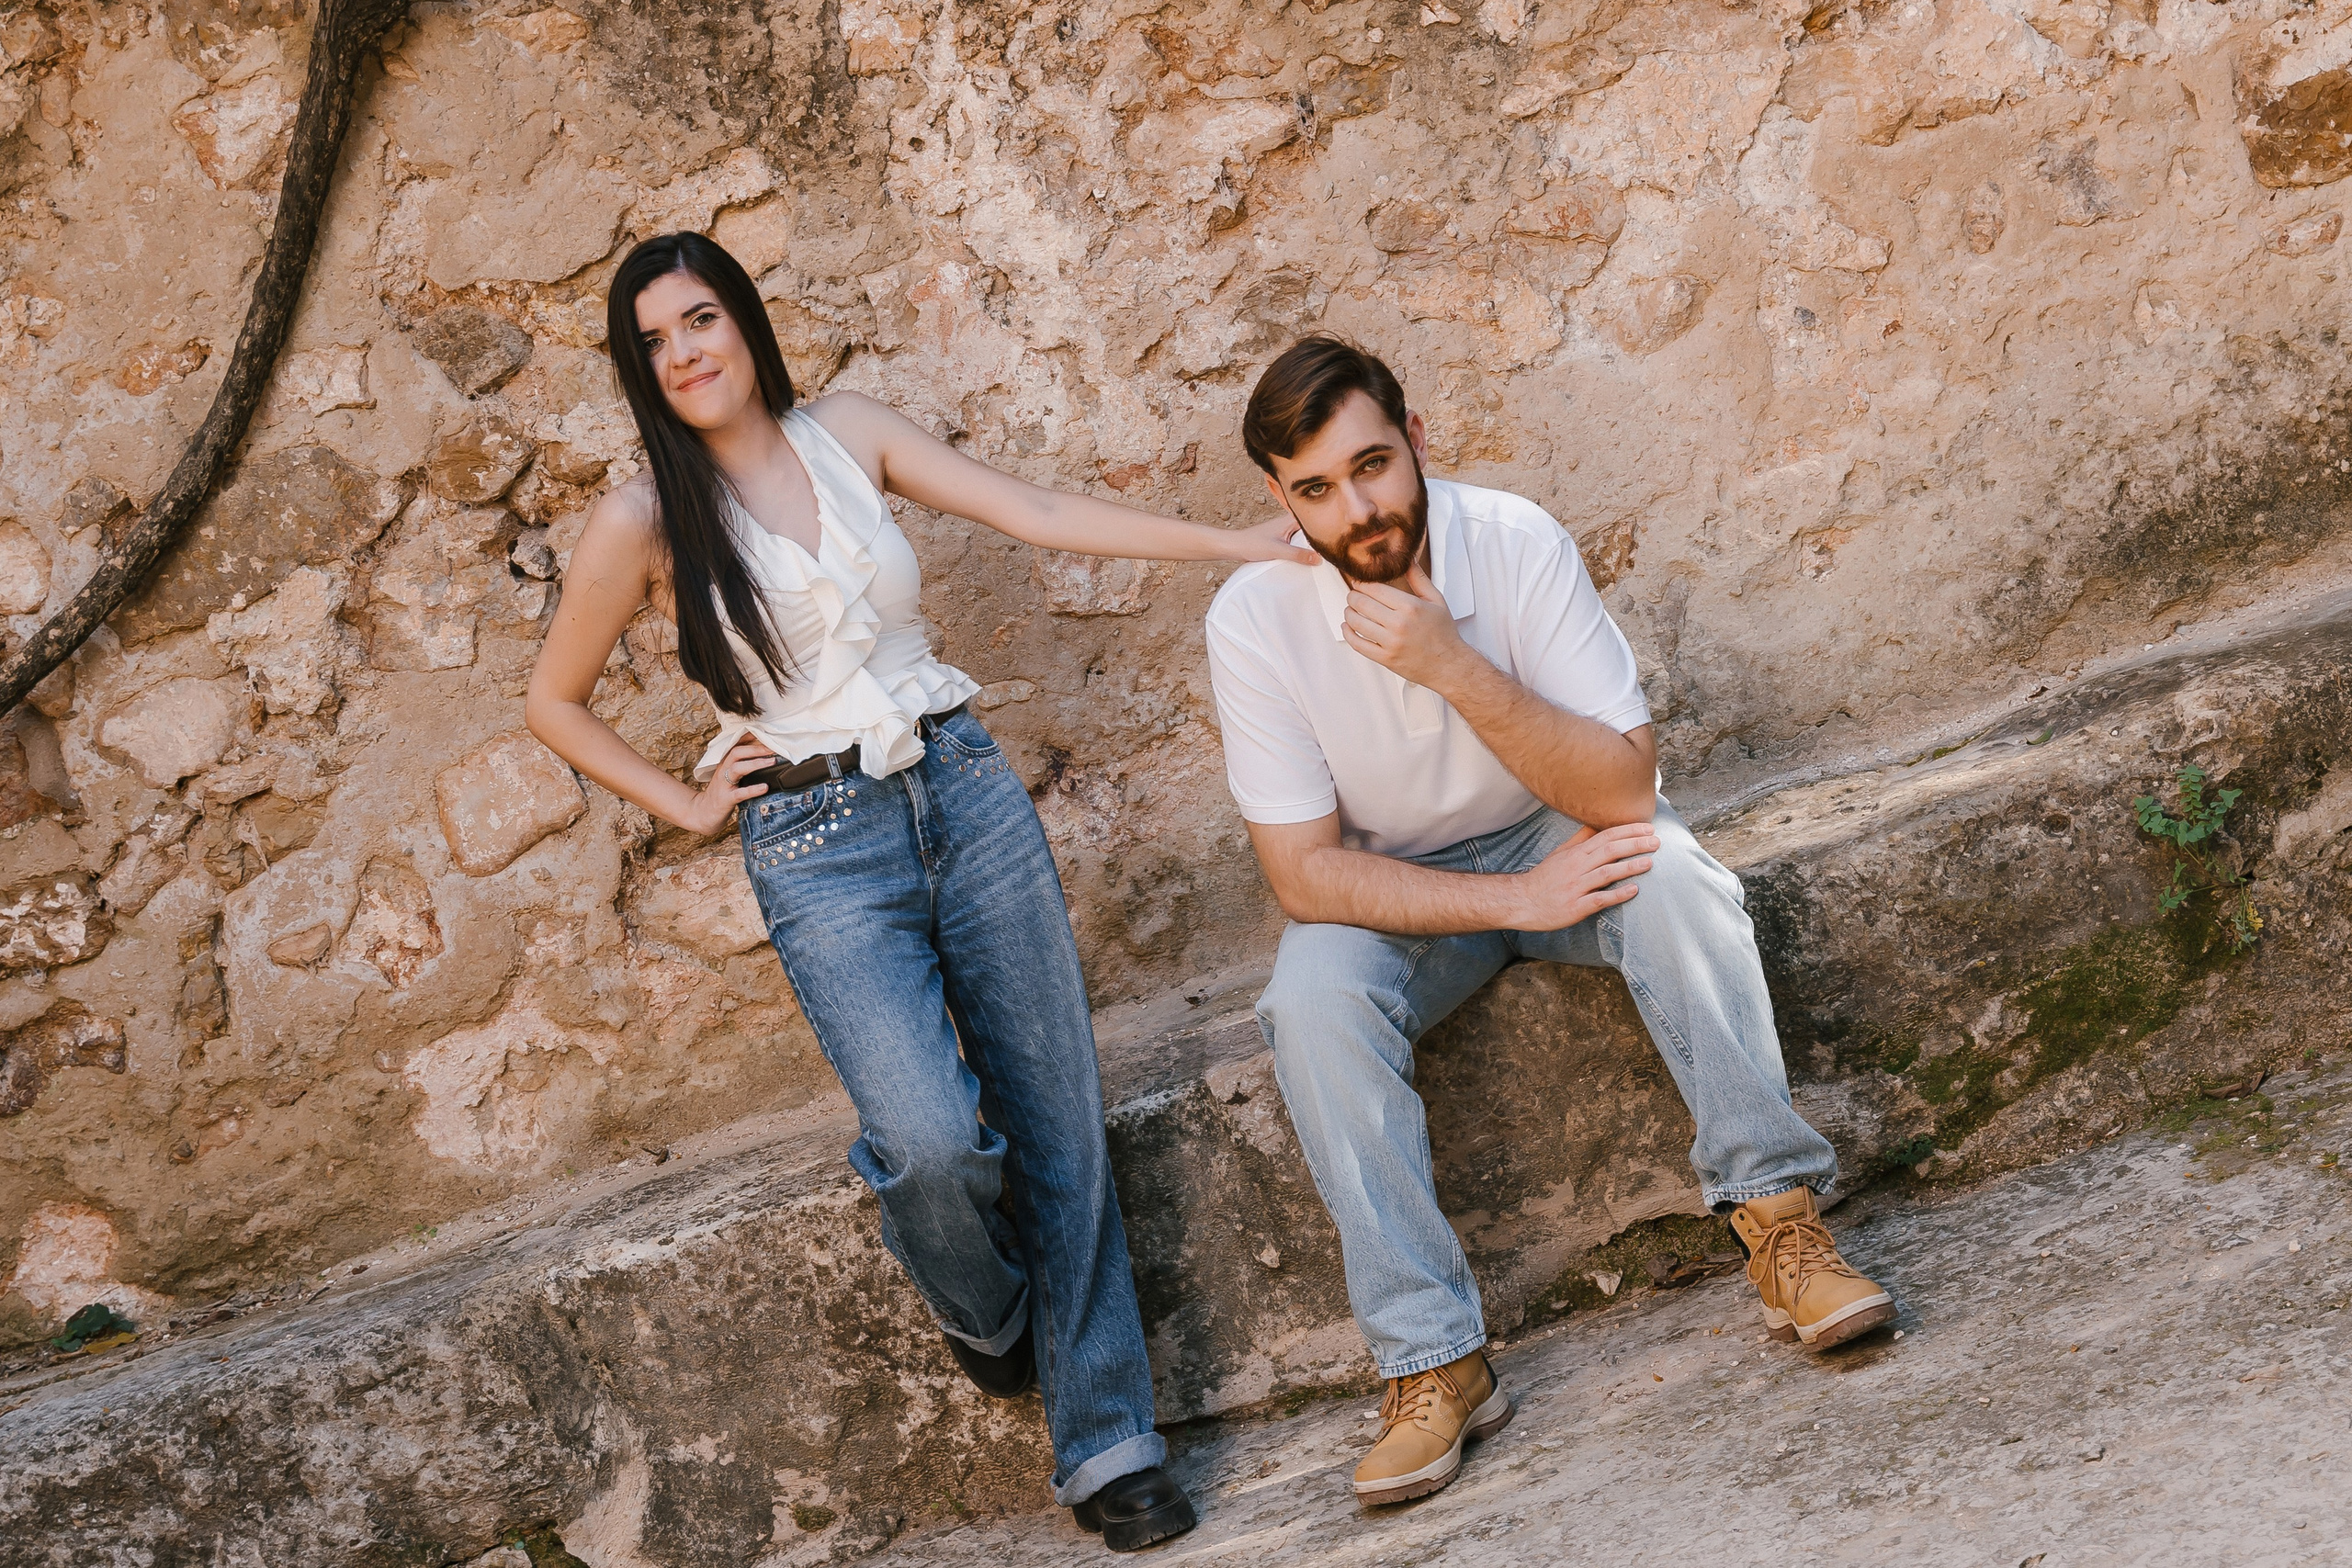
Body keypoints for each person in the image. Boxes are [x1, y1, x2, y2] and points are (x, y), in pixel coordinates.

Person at [525, 232, 1309, 1551]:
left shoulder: (851, 431)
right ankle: (986, 1307)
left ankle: (1111, 1440)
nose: (686, 352)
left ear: (746, 322)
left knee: (1057, 1118)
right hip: (821, 840)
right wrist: (691, 800)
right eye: (654, 340)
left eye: (701, 319)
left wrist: (1236, 541)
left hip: (966, 788)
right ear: (637, 366)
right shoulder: (643, 520)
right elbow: (552, 699)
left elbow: (1038, 513)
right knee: (936, 1141)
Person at [1202, 335, 1894, 1507]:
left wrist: (1452, 666)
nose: (1356, 509)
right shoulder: (1255, 617)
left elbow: (1623, 791)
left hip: (1554, 829)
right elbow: (1306, 880)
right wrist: (1508, 904)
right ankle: (1435, 1363)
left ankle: (1781, 1229)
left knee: (1674, 877)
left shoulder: (1514, 542)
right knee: (1309, 1003)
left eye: (1373, 465)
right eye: (1315, 488)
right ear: (1279, 499)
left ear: (1417, 443)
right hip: (1400, 888)